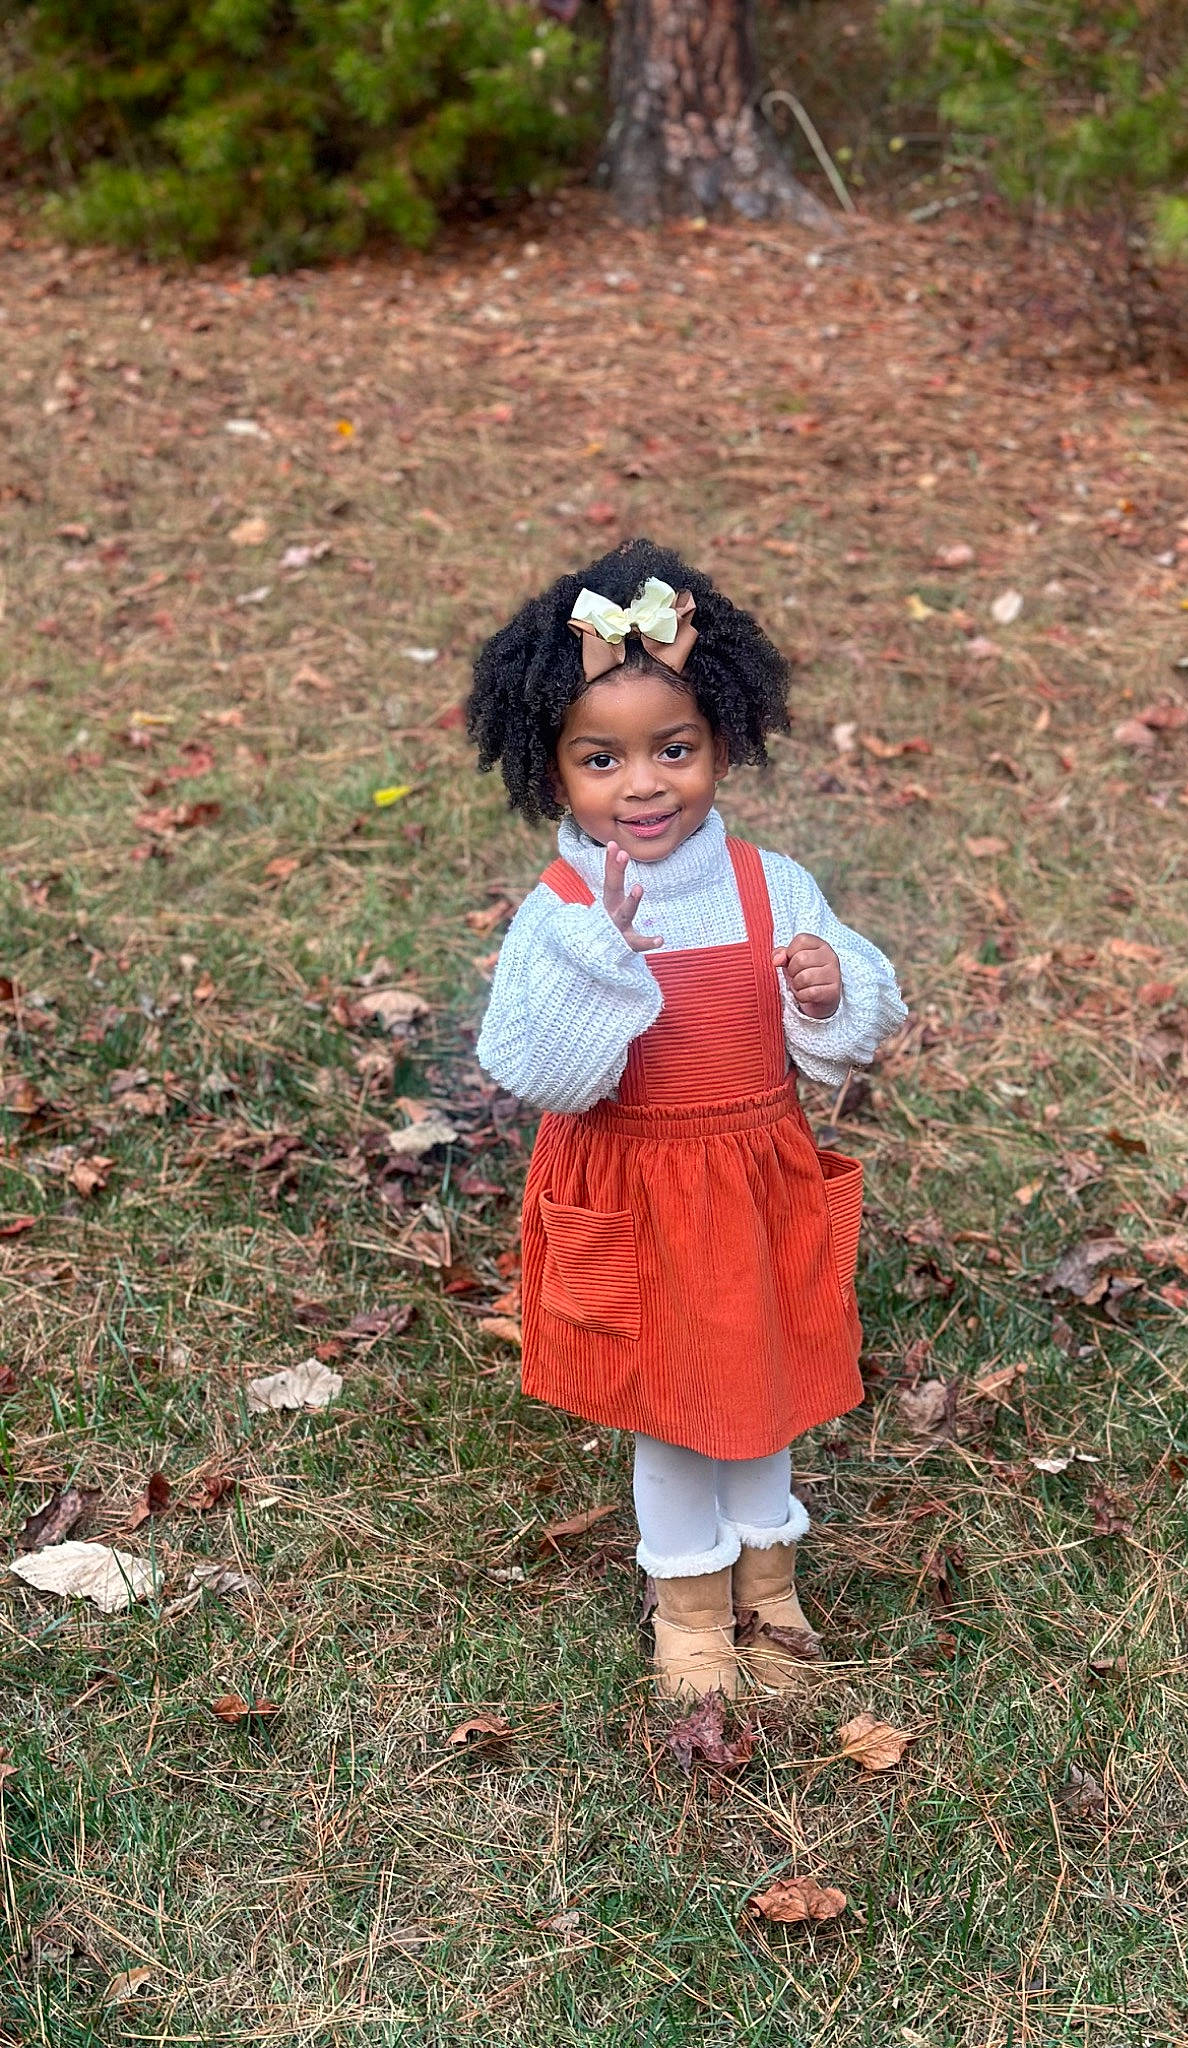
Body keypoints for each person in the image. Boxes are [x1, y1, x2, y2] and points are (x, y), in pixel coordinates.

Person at [467, 538, 905, 1700]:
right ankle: (693, 1609)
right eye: (600, 758)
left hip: (755, 1178)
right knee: (672, 1408)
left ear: (723, 740)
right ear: (550, 768)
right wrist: (602, 962)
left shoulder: (771, 883)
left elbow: (848, 1034)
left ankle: (771, 1584)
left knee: (764, 1390)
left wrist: (826, 991)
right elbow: (541, 1070)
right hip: (638, 1193)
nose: (645, 784)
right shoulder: (563, 910)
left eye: (676, 748)